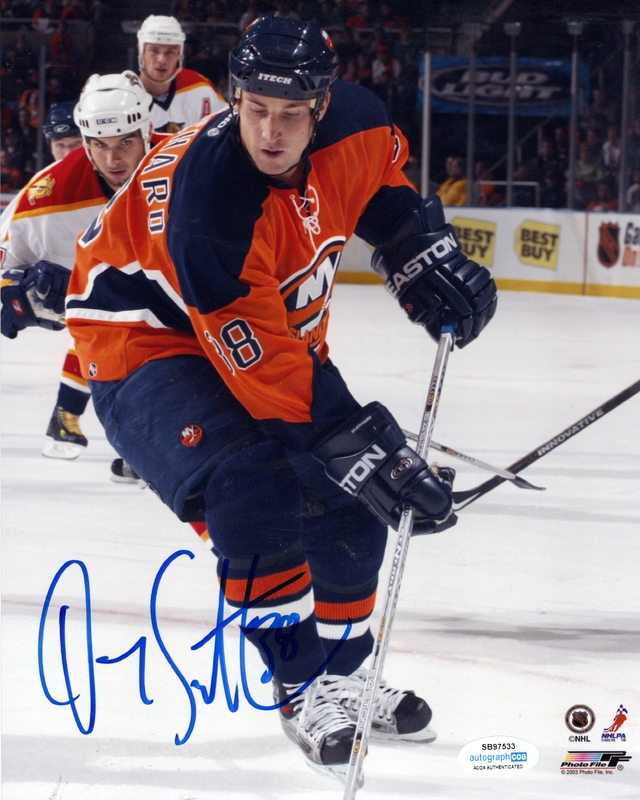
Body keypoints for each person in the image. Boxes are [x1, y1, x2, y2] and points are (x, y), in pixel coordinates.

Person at [66, 14, 497, 780]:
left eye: (291, 113)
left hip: (263, 333)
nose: (270, 132)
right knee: (255, 481)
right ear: (234, 99)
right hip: (144, 343)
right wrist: (363, 449)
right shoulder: (211, 206)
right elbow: (264, 368)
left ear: (322, 106)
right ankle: (301, 687)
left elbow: (381, 189)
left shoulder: (359, 124)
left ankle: (346, 674)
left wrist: (414, 251)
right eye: (255, 109)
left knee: (347, 491)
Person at [0, 72, 153, 460]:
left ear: (147, 132)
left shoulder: (183, 163)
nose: (113, 159)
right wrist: (19, 296)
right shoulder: (47, 196)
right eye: (99, 144)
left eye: (125, 142)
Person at [136, 14, 227, 134]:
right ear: (140, 51)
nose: (161, 60)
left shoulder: (200, 88)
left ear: (179, 55)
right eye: (154, 50)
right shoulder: (123, 96)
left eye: (170, 52)